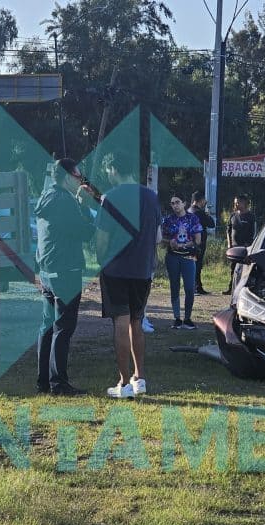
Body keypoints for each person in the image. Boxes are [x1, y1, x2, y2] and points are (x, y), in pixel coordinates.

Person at [96, 151, 162, 399]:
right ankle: (140, 377)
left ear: (113, 169)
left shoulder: (110, 198)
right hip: (143, 269)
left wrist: (102, 261)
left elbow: (101, 240)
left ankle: (123, 382)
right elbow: (157, 237)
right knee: (137, 322)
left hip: (116, 269)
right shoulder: (151, 197)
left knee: (121, 323)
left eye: (108, 172)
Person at [35, 158, 97, 396]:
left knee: (47, 326)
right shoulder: (65, 201)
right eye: (79, 177)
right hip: (66, 270)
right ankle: (58, 382)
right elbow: (84, 232)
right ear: (68, 176)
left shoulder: (46, 196)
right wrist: (84, 206)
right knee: (64, 327)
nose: (81, 182)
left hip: (47, 270)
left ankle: (43, 380)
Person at [162, 193, 204, 329]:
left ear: (184, 203)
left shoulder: (193, 218)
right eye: (172, 203)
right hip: (172, 257)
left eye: (177, 202)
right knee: (174, 287)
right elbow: (161, 238)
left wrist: (186, 244)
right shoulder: (168, 220)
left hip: (188, 257)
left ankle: (187, 318)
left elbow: (198, 240)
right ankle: (177, 318)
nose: (175, 205)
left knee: (189, 288)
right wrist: (171, 241)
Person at [223, 195, 256, 295]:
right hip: (234, 248)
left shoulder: (251, 216)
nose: (236, 204)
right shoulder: (233, 216)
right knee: (233, 269)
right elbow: (228, 230)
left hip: (246, 248)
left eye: (238, 202)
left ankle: (244, 289)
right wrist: (229, 243)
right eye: (235, 202)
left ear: (245, 203)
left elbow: (254, 232)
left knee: (246, 269)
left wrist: (250, 245)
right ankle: (231, 288)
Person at [188, 190, 215, 295]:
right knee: (197, 265)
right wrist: (207, 215)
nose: (205, 202)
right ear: (200, 200)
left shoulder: (189, 210)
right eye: (204, 200)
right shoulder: (199, 212)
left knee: (193, 264)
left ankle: (197, 287)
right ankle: (196, 288)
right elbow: (211, 224)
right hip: (199, 243)